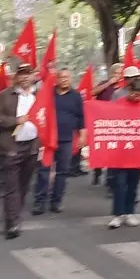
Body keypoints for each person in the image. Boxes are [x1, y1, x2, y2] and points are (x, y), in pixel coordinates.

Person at [0, 64, 41, 239]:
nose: (25, 78)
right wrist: (15, 120)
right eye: (22, 74)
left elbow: (48, 117)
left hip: (32, 146)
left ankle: (14, 215)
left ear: (33, 76)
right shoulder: (5, 95)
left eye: (28, 74)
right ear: (16, 77)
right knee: (11, 186)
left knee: (24, 185)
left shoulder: (40, 96)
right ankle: (12, 223)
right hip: (11, 146)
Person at [34, 68, 84, 213]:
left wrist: (82, 135)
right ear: (57, 79)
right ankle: (39, 202)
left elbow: (81, 117)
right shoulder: (48, 94)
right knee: (43, 171)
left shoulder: (76, 96)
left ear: (71, 79)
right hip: (47, 140)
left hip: (67, 139)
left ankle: (56, 201)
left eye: (67, 77)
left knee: (62, 172)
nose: (64, 80)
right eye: (61, 77)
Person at [108, 66, 140, 229]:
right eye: (134, 94)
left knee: (133, 183)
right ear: (128, 88)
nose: (137, 97)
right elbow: (108, 119)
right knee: (119, 182)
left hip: (137, 150)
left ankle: (130, 213)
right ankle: (118, 215)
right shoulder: (118, 100)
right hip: (120, 150)